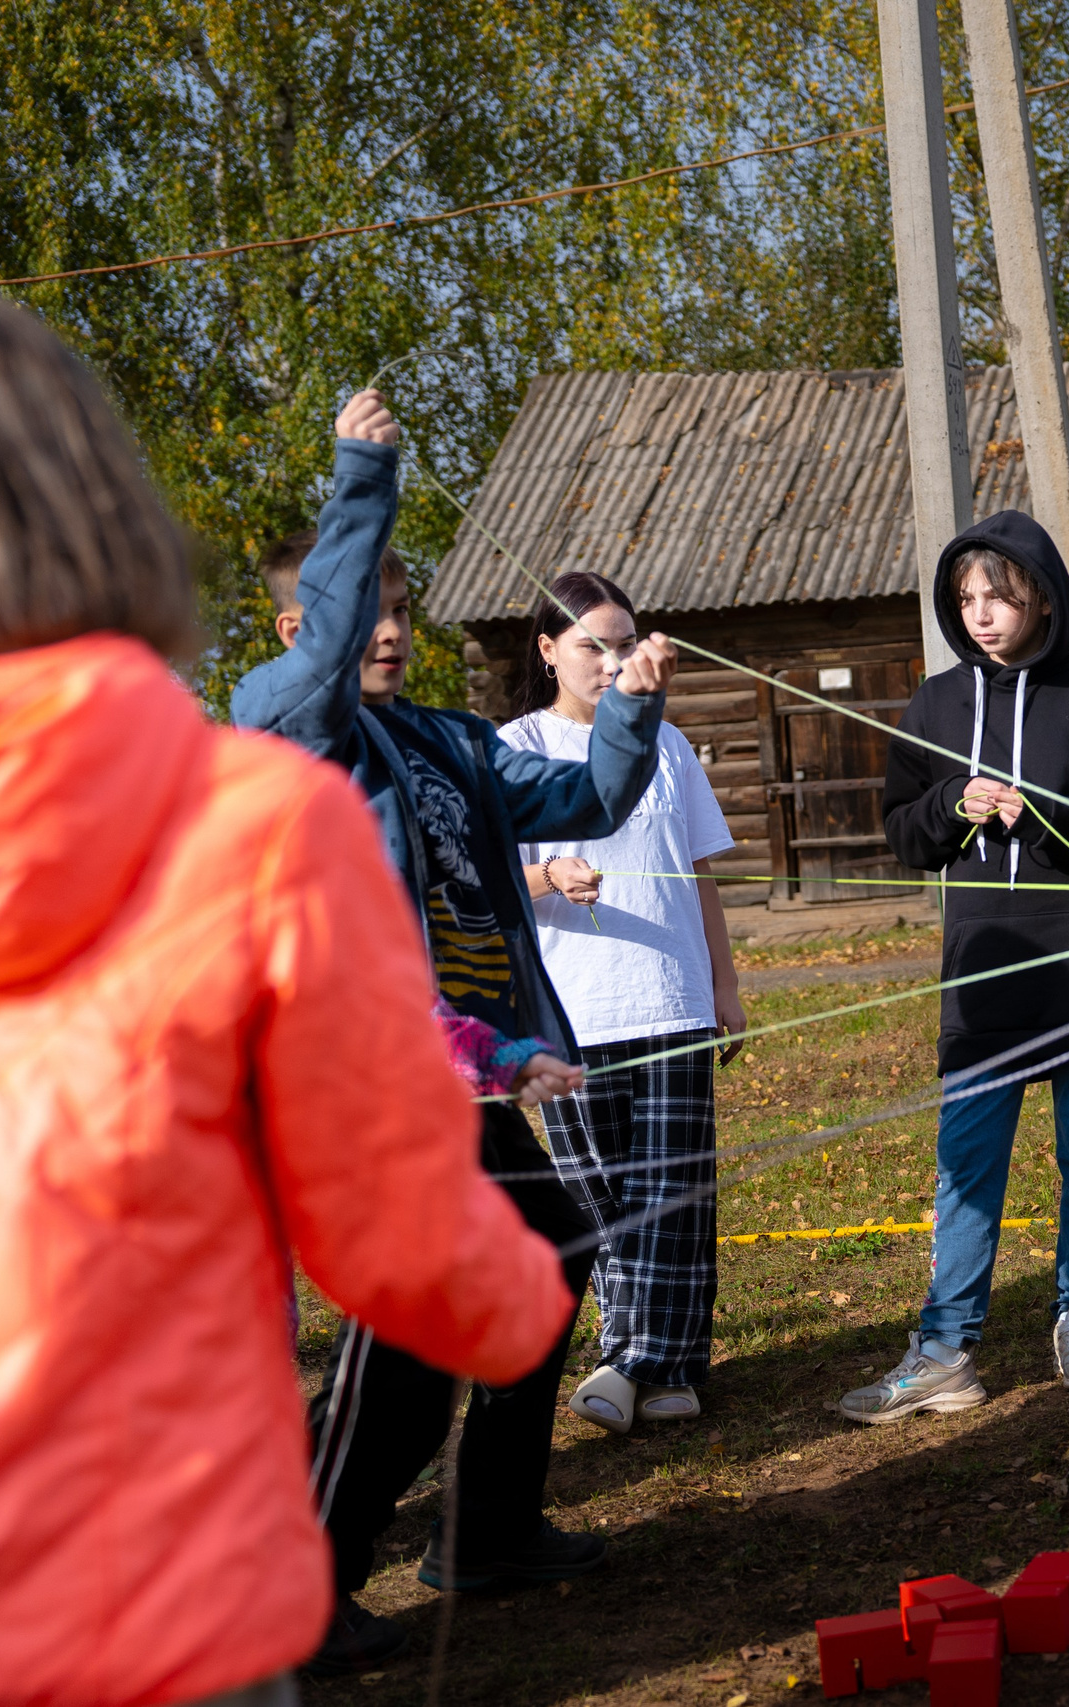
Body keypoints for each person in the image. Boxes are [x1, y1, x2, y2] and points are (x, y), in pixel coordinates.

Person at [0, 291, 569, 1705]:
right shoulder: (252, 816)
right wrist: (516, 1292)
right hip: (160, 1578)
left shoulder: (319, 784)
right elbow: (397, 1230)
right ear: (87, 506)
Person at [232, 388, 677, 1629]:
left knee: (548, 1262)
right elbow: (320, 662)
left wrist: (630, 702)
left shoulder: (446, 742)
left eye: (398, 610)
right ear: (303, 621)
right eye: (364, 607)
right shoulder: (280, 723)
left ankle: (484, 1535)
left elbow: (589, 797)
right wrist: (362, 480)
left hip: (472, 1069)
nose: (383, 629)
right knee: (410, 1355)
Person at [841, 510, 1069, 1422]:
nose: (983, 613)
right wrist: (952, 800)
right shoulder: (936, 703)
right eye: (968, 598)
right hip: (986, 976)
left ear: (1040, 597)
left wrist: (1052, 812)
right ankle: (946, 1349)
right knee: (968, 1161)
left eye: (1002, 595)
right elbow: (905, 830)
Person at [498, 569, 746, 1434]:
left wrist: (723, 983)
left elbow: (701, 872)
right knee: (598, 1196)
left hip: (671, 998)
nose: (609, 662)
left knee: (672, 1189)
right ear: (547, 650)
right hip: (570, 1012)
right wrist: (548, 873)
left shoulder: (667, 745)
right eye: (589, 645)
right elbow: (487, 878)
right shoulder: (515, 745)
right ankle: (646, 1353)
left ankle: (649, 1362)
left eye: (622, 643)